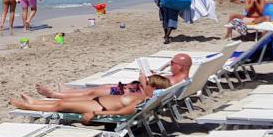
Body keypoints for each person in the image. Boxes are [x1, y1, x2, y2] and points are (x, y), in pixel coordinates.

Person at [10, 75, 171, 123]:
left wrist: (95, 114)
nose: (145, 82)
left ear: (154, 87)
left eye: (148, 82)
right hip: (99, 102)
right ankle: (34, 102)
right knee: (61, 103)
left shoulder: (142, 99)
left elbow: (125, 111)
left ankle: (27, 107)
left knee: (60, 106)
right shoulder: (145, 96)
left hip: (98, 108)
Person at [35, 54, 192, 101]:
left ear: (179, 66)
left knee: (93, 94)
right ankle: (69, 90)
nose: (170, 64)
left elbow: (150, 93)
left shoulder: (174, 80)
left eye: (172, 63)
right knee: (99, 88)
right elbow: (157, 87)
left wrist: (143, 77)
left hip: (132, 95)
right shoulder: (180, 78)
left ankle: (55, 95)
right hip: (131, 89)